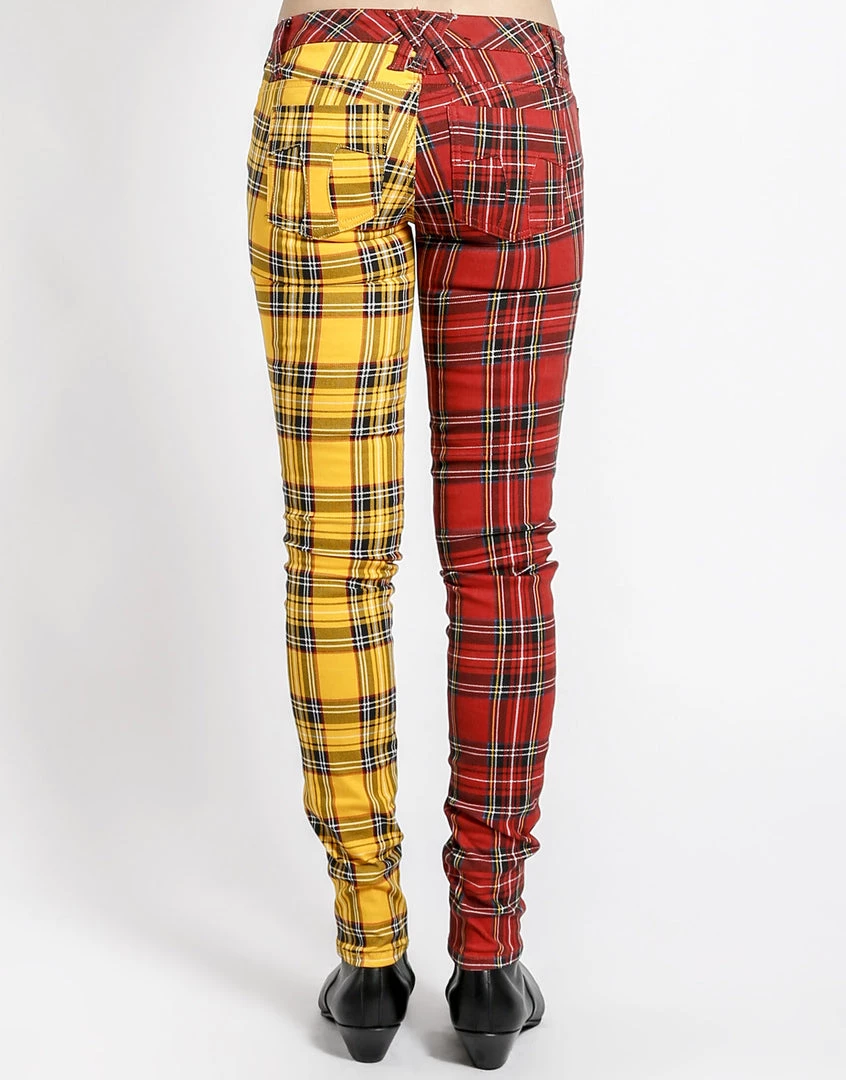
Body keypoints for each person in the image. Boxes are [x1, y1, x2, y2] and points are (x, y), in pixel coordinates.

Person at [245, 1, 584, 1067]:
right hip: (512, 90)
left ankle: (367, 957)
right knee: (503, 554)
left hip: (330, 86)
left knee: (335, 558)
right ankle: (489, 961)